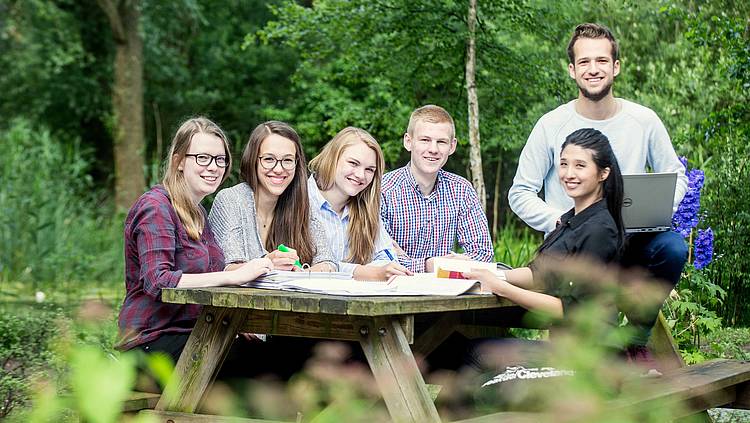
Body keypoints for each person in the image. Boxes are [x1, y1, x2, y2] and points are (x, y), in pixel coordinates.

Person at [507, 23, 688, 364]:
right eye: (585, 62)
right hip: (576, 251)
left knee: (673, 246)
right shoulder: (550, 124)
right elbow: (520, 192)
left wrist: (659, 207)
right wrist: (561, 222)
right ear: (572, 70)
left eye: (602, 61)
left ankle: (635, 341)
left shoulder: (644, 120)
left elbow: (676, 174)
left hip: (628, 239)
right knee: (582, 354)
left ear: (615, 66)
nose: (594, 69)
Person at [116, 117, 273, 366]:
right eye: (202, 158)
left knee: (284, 352)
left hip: (195, 334)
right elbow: (158, 282)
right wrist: (233, 276)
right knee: (266, 368)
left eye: (220, 159)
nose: (213, 167)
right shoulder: (156, 207)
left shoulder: (198, 212)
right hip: (150, 343)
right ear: (178, 161)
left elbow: (206, 280)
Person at [466, 128, 625, 373]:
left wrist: (501, 288)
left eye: (580, 166)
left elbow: (569, 309)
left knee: (474, 355)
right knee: (463, 352)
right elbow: (539, 274)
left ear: (603, 173)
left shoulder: (600, 230)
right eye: (563, 164)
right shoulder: (572, 219)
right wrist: (480, 272)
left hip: (589, 359)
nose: (568, 174)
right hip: (564, 348)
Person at [209, 121, 337, 272]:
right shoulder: (231, 200)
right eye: (269, 159)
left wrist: (304, 273)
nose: (278, 169)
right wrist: (268, 264)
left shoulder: (300, 204)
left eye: (287, 160)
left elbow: (329, 262)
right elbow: (227, 268)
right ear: (253, 160)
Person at [380, 105, 494, 273]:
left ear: (452, 146)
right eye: (425, 140)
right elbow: (380, 257)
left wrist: (415, 263)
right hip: (392, 291)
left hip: (446, 292)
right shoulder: (382, 189)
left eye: (441, 142)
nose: (433, 149)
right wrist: (432, 265)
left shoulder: (461, 190)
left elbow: (483, 253)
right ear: (408, 141)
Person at [308, 126, 412, 280]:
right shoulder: (300, 200)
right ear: (333, 157)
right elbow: (307, 265)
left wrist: (373, 271)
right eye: (353, 163)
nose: (360, 175)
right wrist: (364, 272)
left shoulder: (367, 208)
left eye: (370, 170)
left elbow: (387, 259)